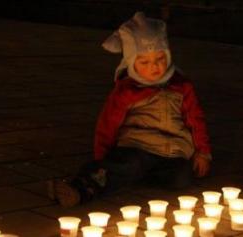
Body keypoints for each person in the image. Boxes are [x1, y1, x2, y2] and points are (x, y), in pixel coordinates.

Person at [50, 12, 212, 207]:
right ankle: (80, 188)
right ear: (131, 62)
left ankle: (132, 176)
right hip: (137, 148)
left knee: (182, 178)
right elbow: (107, 125)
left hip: (173, 152)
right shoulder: (127, 90)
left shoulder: (181, 86)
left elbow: (196, 119)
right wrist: (102, 159)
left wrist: (203, 152)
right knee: (126, 165)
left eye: (160, 58)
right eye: (145, 62)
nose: (155, 67)